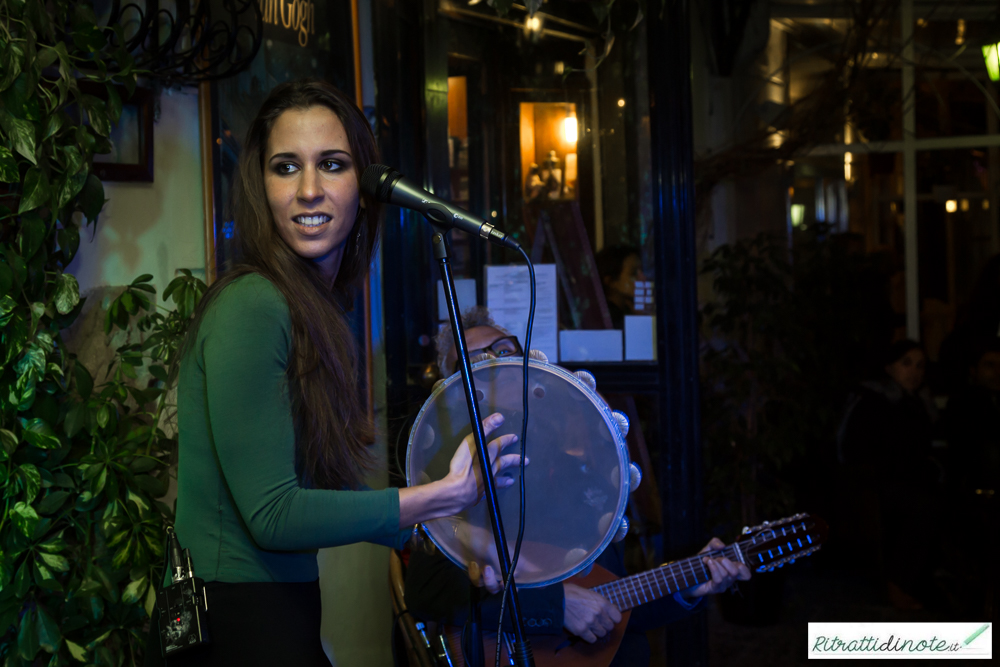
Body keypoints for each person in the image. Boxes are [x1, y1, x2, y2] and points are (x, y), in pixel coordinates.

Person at [145, 81, 522, 667]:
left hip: (276, 608)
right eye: (286, 167)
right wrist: (438, 496)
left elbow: (314, 480)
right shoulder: (253, 304)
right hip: (238, 616)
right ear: (259, 187)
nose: (309, 190)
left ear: (366, 187)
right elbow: (272, 515)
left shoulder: (307, 308)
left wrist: (436, 534)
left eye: (333, 164)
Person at [409, 311, 751, 667]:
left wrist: (687, 587)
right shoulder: (450, 476)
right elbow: (426, 589)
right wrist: (553, 606)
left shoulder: (582, 476)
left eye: (506, 349)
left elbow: (610, 606)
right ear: (451, 393)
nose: (497, 362)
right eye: (476, 360)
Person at [837, 340, 941, 609]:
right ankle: (897, 584)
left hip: (904, 480)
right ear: (889, 367)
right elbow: (861, 451)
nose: (914, 372)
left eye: (920, 365)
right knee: (920, 507)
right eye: (906, 363)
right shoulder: (873, 400)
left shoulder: (919, 402)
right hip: (872, 485)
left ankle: (924, 583)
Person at [595, 245, 648, 329]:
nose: (643, 278)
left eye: (642, 271)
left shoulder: (627, 312)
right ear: (611, 282)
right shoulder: (611, 321)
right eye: (633, 273)